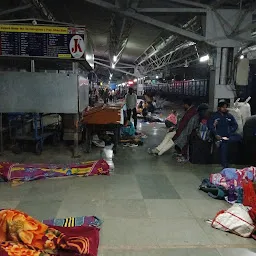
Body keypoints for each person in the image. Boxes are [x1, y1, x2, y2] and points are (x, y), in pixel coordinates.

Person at [208, 100, 241, 168]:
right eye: (223, 107)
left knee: (239, 137)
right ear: (219, 108)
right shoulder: (214, 116)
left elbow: (235, 125)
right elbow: (210, 126)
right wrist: (216, 134)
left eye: (226, 107)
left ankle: (225, 140)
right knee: (224, 145)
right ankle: (224, 165)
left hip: (228, 135)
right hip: (219, 136)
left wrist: (231, 130)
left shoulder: (229, 116)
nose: (225, 108)